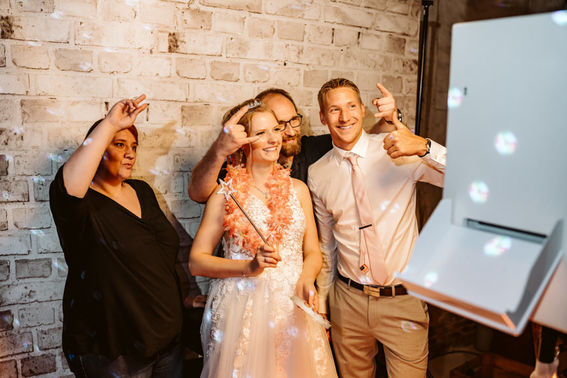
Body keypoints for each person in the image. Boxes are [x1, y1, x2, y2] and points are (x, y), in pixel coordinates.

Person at [308, 78, 447, 378]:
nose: (344, 117)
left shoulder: (395, 149)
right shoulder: (318, 173)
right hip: (348, 301)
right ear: (322, 117)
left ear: (363, 110)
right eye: (334, 110)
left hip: (402, 300)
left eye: (351, 107)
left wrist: (423, 146)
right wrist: (323, 302)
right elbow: (327, 246)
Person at [188, 100, 337, 377]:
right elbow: (196, 262)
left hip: (293, 306)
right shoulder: (226, 194)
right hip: (244, 308)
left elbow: (313, 252)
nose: (273, 138)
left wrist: (306, 279)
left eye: (277, 129)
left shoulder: (299, 189)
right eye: (261, 133)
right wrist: (249, 268)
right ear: (242, 142)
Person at [49, 95, 184, 377]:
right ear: (97, 149)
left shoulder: (142, 191)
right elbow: (69, 184)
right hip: (114, 351)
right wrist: (110, 123)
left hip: (166, 340)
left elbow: (157, 261)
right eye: (119, 144)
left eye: (134, 146)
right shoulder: (79, 203)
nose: (131, 153)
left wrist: (184, 300)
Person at [187, 84, 399, 202]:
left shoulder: (312, 149)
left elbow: (366, 139)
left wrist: (390, 117)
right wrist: (219, 150)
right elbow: (198, 194)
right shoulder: (241, 161)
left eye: (294, 120)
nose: (290, 131)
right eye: (279, 125)